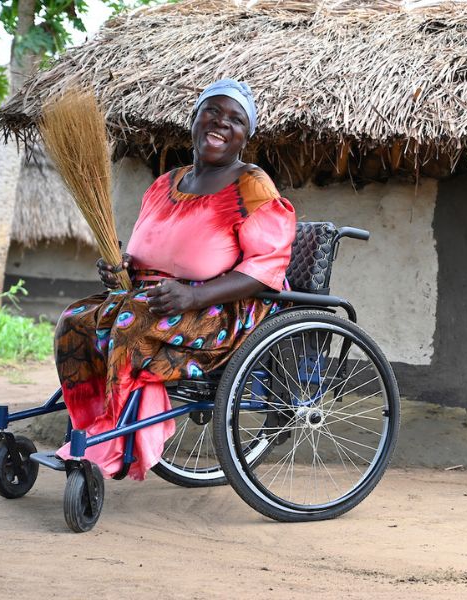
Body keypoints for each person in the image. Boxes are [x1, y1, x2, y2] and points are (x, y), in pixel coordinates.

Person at [54, 79, 296, 480]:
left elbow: (265, 268)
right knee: (75, 320)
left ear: (244, 137)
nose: (221, 123)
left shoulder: (250, 186)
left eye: (235, 119)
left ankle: (113, 446)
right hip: (153, 298)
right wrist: (121, 268)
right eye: (212, 112)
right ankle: (92, 426)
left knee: (130, 325)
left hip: (220, 310)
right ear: (194, 119)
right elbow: (150, 251)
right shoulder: (165, 184)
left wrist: (192, 297)